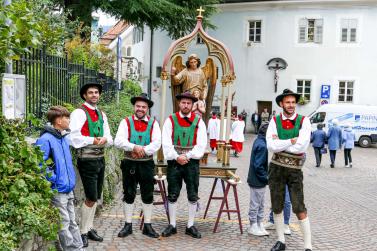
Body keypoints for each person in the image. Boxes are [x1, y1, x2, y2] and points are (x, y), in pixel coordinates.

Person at [266, 89, 312, 251]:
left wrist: (282, 142)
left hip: (294, 170)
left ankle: (308, 246)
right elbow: (271, 146)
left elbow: (303, 145)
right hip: (276, 168)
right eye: (288, 102)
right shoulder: (274, 121)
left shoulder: (304, 121)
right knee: (277, 205)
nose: (291, 105)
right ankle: (281, 241)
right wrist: (291, 140)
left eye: (293, 102)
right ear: (281, 104)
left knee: (299, 206)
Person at [69, 82, 113, 247]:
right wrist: (93, 140)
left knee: (96, 196)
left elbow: (110, 137)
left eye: (96, 92)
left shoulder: (102, 114)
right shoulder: (79, 113)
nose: (94, 95)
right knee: (91, 196)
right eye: (91, 93)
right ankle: (82, 232)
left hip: (100, 158)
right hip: (86, 159)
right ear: (85, 96)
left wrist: (105, 139)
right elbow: (73, 137)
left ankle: (90, 227)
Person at [36, 106, 84, 251]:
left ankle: (78, 247)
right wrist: (56, 180)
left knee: (72, 222)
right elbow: (40, 165)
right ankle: (71, 249)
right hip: (58, 188)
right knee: (63, 223)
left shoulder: (62, 137)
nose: (69, 120)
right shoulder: (45, 139)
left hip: (68, 188)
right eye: (66, 117)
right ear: (58, 120)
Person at [114, 93, 161, 239]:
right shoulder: (125, 122)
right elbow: (118, 141)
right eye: (138, 106)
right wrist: (134, 147)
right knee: (129, 193)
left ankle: (147, 225)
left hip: (146, 164)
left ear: (147, 109)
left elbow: (157, 143)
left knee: (147, 194)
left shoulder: (154, 123)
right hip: (129, 163)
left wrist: (142, 150)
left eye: (143, 107)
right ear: (134, 107)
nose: (140, 109)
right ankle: (127, 225)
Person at [161, 91, 207, 239]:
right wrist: (176, 156)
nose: (186, 105)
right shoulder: (170, 120)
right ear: (179, 104)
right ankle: (172, 225)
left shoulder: (199, 121)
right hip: (174, 162)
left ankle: (190, 225)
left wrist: (186, 156)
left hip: (191, 162)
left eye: (188, 103)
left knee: (193, 193)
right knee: (173, 193)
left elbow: (201, 145)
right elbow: (166, 143)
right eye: (183, 102)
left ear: (192, 105)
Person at [247, 122, 269, 236]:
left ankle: (259, 223)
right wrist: (266, 178)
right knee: (256, 203)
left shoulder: (259, 141)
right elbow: (258, 166)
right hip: (257, 180)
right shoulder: (262, 145)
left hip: (257, 179)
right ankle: (253, 225)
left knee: (260, 203)